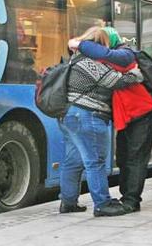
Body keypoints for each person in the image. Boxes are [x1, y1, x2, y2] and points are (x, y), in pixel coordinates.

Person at [59, 26, 143, 217]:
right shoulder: (90, 62)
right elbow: (116, 81)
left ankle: (68, 202)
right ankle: (102, 204)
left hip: (69, 114)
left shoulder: (75, 59)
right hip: (88, 115)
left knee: (73, 160)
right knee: (94, 160)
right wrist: (136, 74)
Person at [77, 27, 152, 212]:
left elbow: (96, 51)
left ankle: (131, 200)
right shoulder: (106, 59)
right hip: (126, 116)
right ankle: (127, 196)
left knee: (135, 158)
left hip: (141, 113)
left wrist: (79, 43)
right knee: (123, 157)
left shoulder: (124, 55)